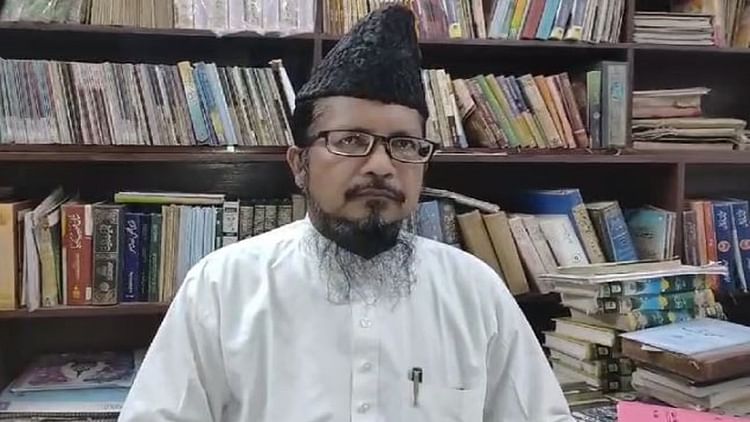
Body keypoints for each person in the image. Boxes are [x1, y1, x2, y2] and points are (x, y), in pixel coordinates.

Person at [118, 4, 574, 422]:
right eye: (351, 141)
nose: (381, 166)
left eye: (404, 144)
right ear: (299, 164)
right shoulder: (223, 287)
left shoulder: (474, 291)